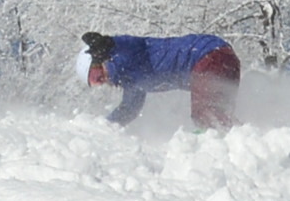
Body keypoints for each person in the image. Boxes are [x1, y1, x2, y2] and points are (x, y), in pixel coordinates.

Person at [83, 29, 242, 131]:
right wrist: (102, 128)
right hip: (223, 58)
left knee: (207, 116)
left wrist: (109, 44)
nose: (101, 80)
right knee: (220, 114)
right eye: (95, 82)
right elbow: (128, 110)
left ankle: (237, 145)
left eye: (96, 74)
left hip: (207, 55)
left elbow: (133, 45)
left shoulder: (127, 57)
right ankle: (251, 141)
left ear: (101, 60)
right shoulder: (132, 82)